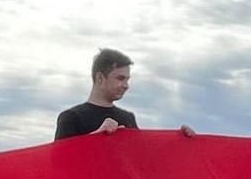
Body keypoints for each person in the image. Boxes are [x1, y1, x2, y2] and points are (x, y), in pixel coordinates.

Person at [55, 48, 194, 140]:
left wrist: (180, 139)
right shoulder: (72, 118)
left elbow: (145, 158)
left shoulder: (127, 118)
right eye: (120, 78)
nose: (126, 85)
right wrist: (97, 137)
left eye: (127, 79)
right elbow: (58, 164)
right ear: (100, 78)